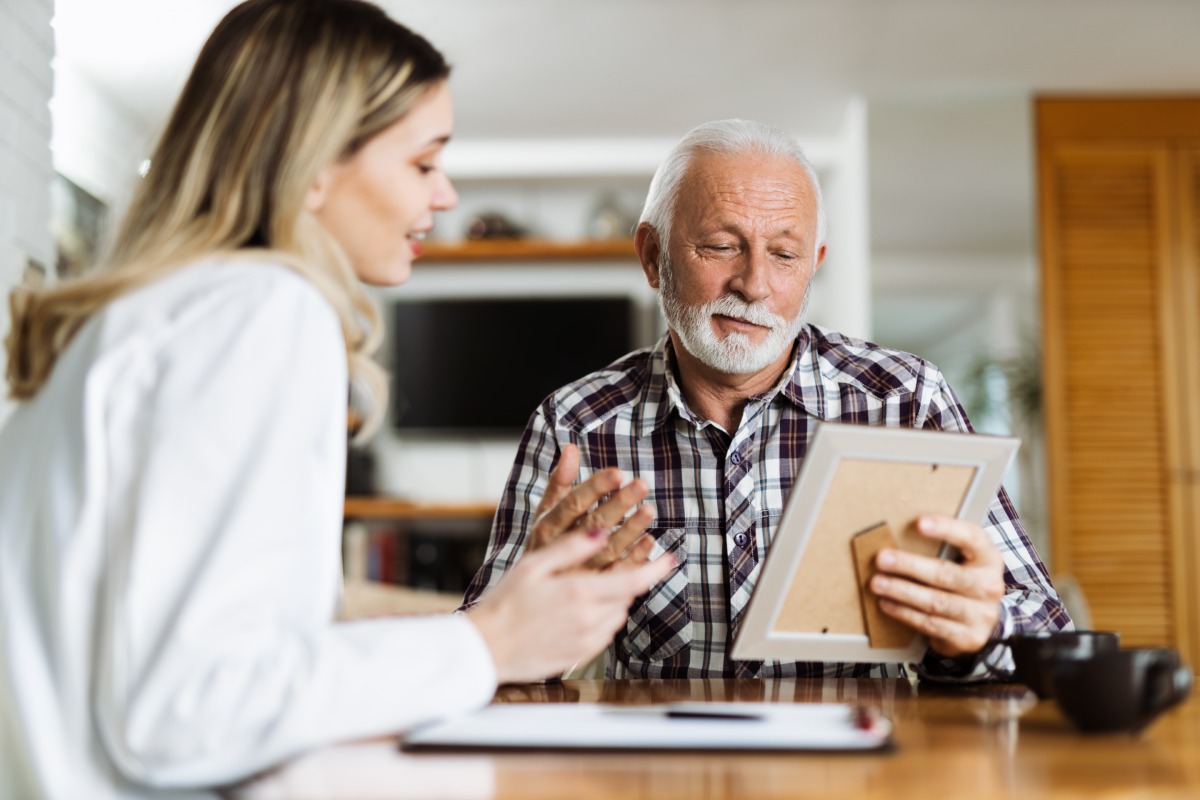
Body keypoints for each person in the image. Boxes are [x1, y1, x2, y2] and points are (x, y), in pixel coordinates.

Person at [0, 1, 674, 797]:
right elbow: (189, 713)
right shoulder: (261, 311)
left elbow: (227, 660)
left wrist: (499, 622)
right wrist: (489, 642)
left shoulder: (142, 322)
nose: (450, 194)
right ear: (313, 163)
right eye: (424, 163)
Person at [463, 119, 1073, 680]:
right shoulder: (575, 425)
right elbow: (479, 666)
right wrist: (526, 612)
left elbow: (1048, 630)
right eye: (721, 246)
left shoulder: (906, 401)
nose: (755, 285)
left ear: (814, 265)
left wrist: (979, 632)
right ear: (653, 256)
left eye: (784, 255)